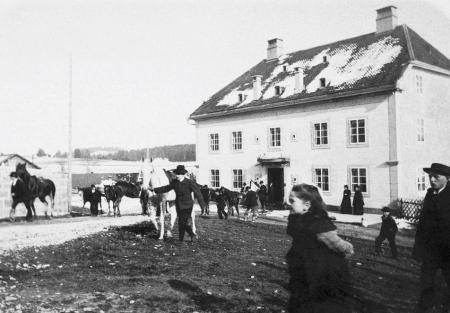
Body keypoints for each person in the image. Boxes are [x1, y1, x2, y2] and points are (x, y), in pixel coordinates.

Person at [286, 183, 354, 313]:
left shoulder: (317, 223)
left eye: (292, 201)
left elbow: (337, 244)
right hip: (305, 274)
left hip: (324, 278)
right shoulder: (299, 220)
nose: (289, 204)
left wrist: (348, 248)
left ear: (307, 205)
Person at [413, 163, 450, 313]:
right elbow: (422, 224)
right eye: (430, 176)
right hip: (430, 250)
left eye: (436, 177)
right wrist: (418, 248)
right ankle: (424, 308)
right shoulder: (430, 194)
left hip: (448, 250)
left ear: (447, 178)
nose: (432, 180)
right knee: (426, 281)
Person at [151, 165, 206, 242]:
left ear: (183, 174)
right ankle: (192, 234)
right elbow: (166, 188)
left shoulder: (190, 182)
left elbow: (198, 194)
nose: (177, 175)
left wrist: (203, 206)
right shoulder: (175, 183)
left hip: (188, 205)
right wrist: (154, 189)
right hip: (179, 206)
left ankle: (181, 241)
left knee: (181, 222)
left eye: (179, 174)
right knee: (182, 223)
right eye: (176, 174)